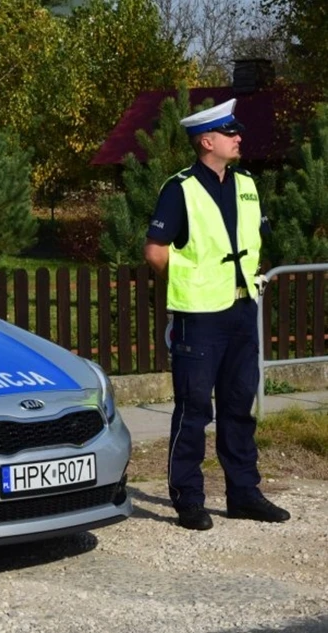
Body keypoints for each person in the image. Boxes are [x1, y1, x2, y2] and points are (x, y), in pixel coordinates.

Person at [144, 98, 290, 531]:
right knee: (193, 410)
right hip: (199, 315)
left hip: (242, 308)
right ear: (207, 141)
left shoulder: (246, 183)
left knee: (238, 407)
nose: (238, 138)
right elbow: (155, 251)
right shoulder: (180, 188)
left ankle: (243, 493)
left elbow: (257, 239)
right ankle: (188, 498)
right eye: (230, 133)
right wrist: (193, 279)